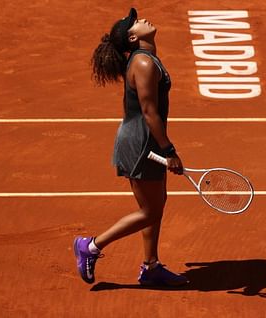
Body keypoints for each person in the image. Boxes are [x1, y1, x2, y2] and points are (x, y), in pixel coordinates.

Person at [73, 8, 188, 287]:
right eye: (134, 23)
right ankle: (91, 246)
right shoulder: (144, 64)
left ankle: (151, 266)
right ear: (134, 38)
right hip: (141, 142)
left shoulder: (144, 59)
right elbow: (150, 112)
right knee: (150, 211)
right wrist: (169, 151)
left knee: (156, 205)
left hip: (143, 138)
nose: (141, 20)